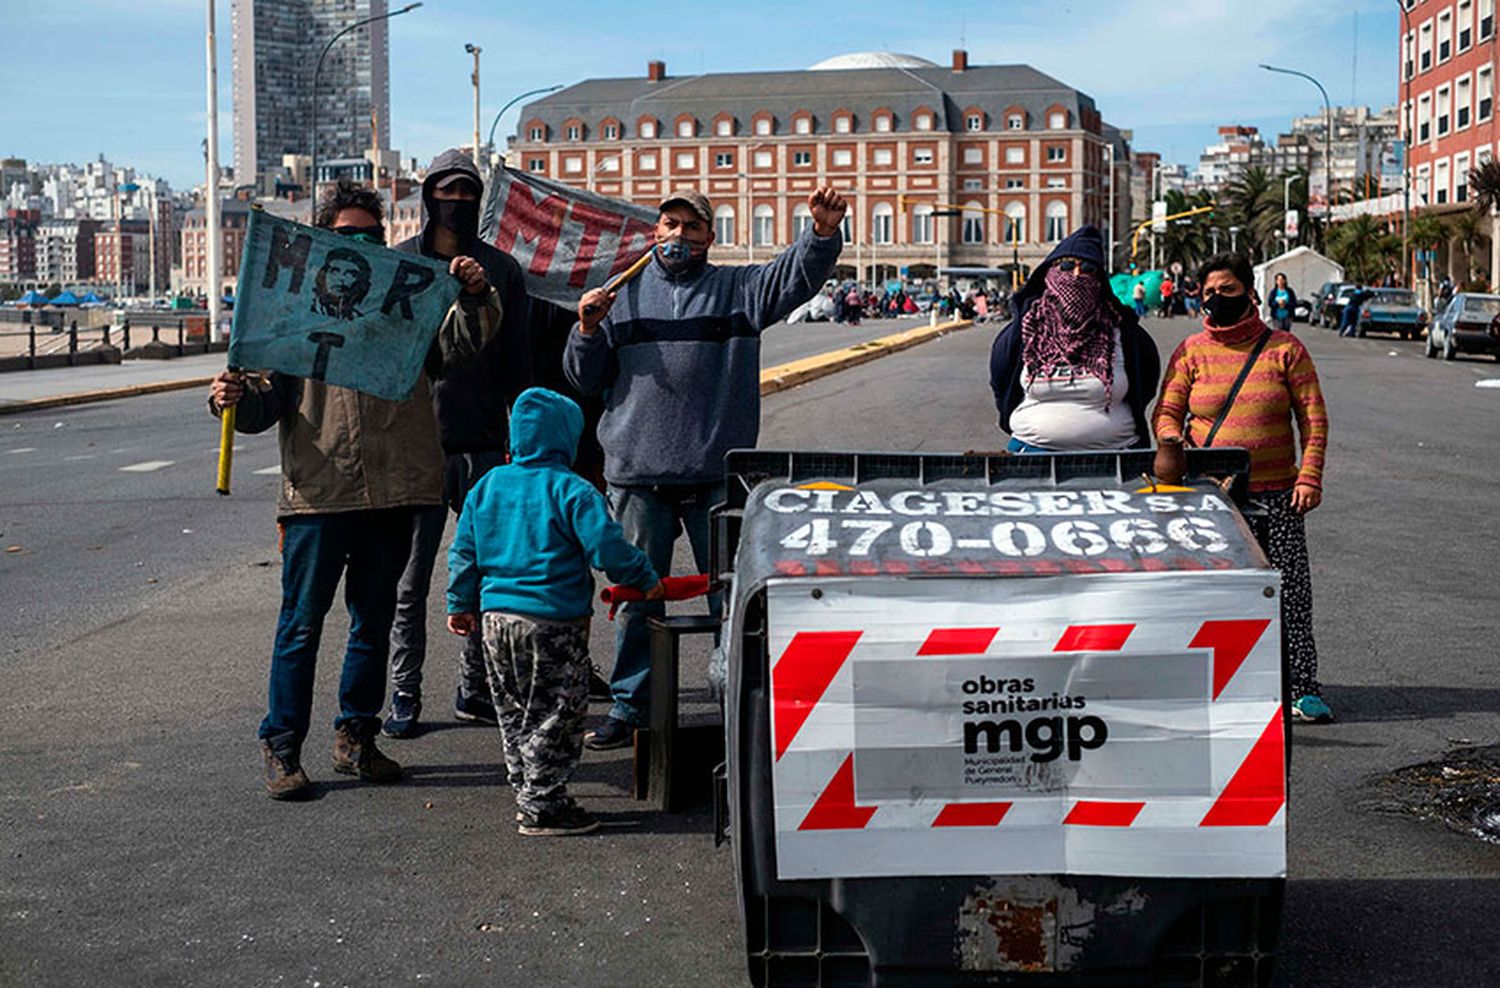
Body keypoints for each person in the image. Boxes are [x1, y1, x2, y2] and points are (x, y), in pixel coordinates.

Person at [208, 179, 502, 799]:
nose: (360, 248)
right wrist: (229, 401)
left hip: (396, 491)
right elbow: (266, 402)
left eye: (371, 237)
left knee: (373, 622)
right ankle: (282, 746)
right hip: (319, 494)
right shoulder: (290, 316)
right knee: (300, 626)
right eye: (346, 238)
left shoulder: (406, 305)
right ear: (321, 242)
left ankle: (356, 739)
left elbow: (459, 345)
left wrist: (476, 295)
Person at [565, 186, 845, 749]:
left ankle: (737, 705)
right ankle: (631, 705)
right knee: (636, 600)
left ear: (709, 239)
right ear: (654, 231)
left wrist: (820, 233)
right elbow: (583, 379)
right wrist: (587, 330)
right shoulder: (619, 294)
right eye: (669, 224)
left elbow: (796, 276)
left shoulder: (737, 289)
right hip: (637, 478)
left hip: (716, 477)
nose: (678, 236)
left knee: (731, 600)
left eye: (692, 229)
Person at [446, 388, 663, 836]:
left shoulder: (487, 485)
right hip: (551, 622)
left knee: (513, 709)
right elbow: (608, 549)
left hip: (494, 622)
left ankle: (526, 785)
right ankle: (543, 803)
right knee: (557, 712)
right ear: (566, 438)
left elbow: (463, 552)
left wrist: (460, 603)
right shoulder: (572, 490)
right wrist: (645, 578)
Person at [381, 149, 534, 740]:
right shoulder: (400, 266)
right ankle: (403, 692)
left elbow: (520, 364)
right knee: (409, 582)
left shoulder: (503, 270)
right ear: (428, 196)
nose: (458, 201)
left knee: (484, 580)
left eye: (469, 191)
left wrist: (518, 441)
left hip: (486, 445)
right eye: (447, 189)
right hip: (416, 446)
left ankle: (476, 686)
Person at [1152, 253, 1332, 723]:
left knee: (1289, 592)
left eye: (1227, 291)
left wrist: (1309, 476)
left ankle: (1301, 687)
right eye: (1209, 292)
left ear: (1250, 293)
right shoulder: (1190, 352)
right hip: (1209, 501)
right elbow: (1167, 412)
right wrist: (1172, 440)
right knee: (1209, 593)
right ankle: (1209, 681)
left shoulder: (1285, 350)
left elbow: (1312, 418)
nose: (1217, 300)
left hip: (1278, 494)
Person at [988, 225, 1161, 452]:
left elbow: (1146, 383)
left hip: (1115, 455)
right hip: (1032, 452)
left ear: (1099, 278)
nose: (1076, 276)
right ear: (1050, 271)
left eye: (1087, 267)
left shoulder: (1126, 333)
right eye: (1067, 266)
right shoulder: (1025, 331)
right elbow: (1002, 383)